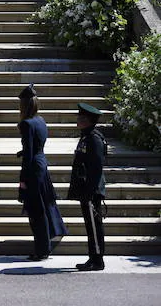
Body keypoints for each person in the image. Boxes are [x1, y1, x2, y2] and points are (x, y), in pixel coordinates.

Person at [17, 83, 67, 260]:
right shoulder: (41, 121)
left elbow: (29, 154)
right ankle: (44, 246)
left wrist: (23, 179)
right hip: (42, 164)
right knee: (42, 206)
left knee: (36, 210)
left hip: (33, 169)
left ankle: (42, 249)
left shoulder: (26, 124)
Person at [68, 102, 107, 272]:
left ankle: (97, 259)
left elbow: (97, 167)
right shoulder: (87, 136)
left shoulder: (94, 139)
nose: (78, 119)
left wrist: (91, 191)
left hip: (91, 191)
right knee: (90, 226)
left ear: (87, 120)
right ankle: (92, 256)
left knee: (94, 225)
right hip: (86, 190)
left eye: (80, 117)